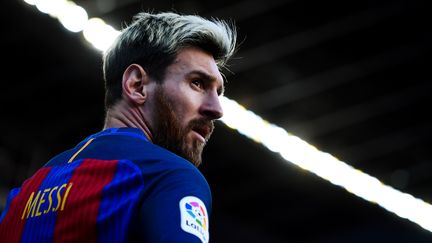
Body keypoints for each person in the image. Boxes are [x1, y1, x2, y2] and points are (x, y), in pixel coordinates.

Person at [0, 11, 237, 242]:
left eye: (218, 93)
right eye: (197, 83)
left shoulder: (22, 198)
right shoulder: (169, 175)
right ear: (136, 85)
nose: (217, 110)